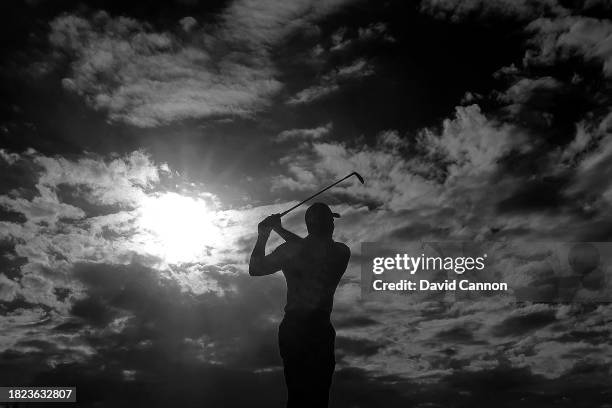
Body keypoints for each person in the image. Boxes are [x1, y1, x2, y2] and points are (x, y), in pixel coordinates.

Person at [249, 202, 351, 408]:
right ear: (317, 222)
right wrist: (276, 230)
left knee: (301, 396)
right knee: (314, 396)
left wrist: (266, 233)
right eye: (329, 220)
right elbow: (256, 269)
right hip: (317, 328)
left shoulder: (298, 250)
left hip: (297, 327)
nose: (332, 224)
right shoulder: (340, 252)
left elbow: (256, 267)